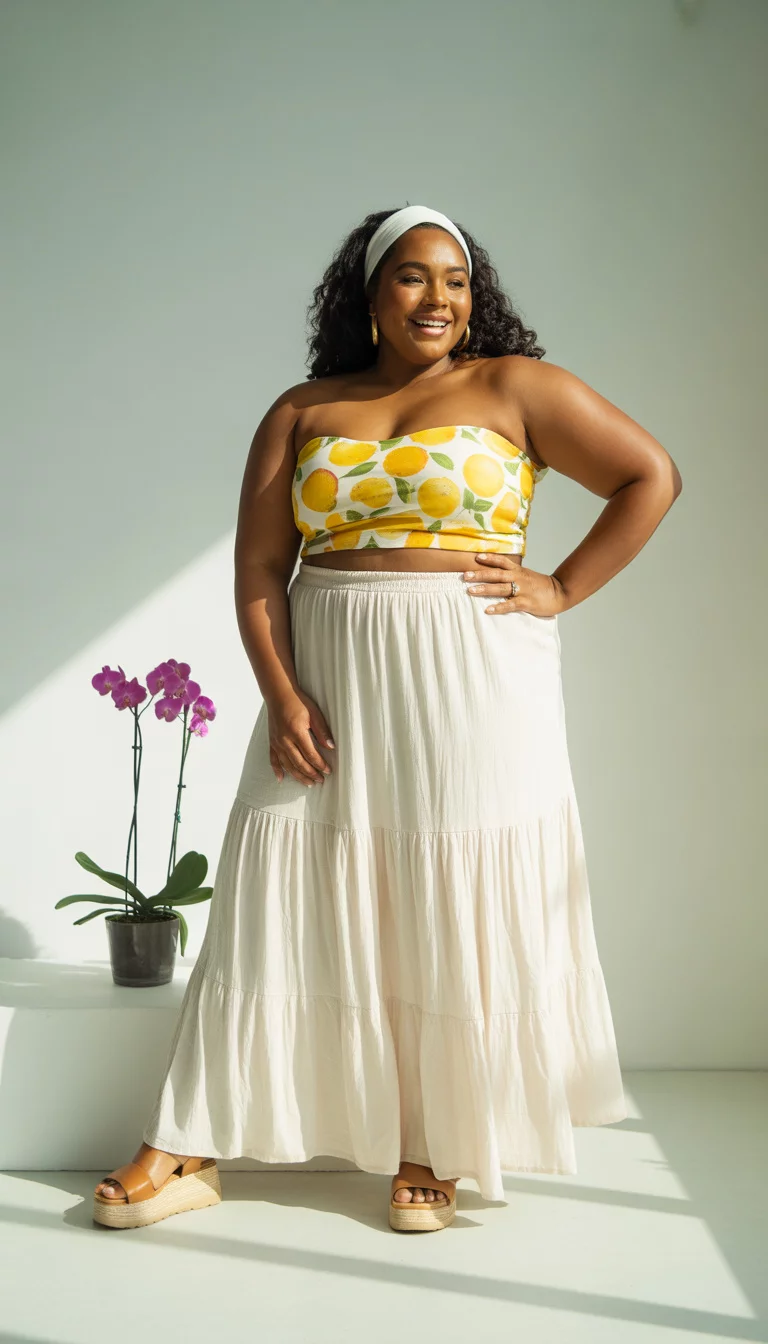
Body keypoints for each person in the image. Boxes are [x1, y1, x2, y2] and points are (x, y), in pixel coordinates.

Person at [93, 203, 682, 1234]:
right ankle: (188, 1142)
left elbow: (650, 475)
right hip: (327, 665)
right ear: (369, 296)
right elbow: (260, 569)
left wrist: (562, 587)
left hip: (475, 672)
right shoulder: (302, 409)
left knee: (443, 882)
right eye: (412, 277)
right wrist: (281, 692)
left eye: (455, 279)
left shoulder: (514, 387)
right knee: (278, 890)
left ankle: (433, 1142)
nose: (438, 297)